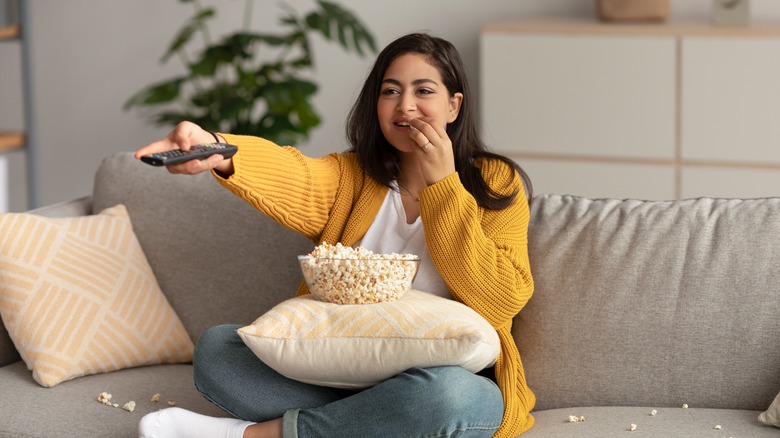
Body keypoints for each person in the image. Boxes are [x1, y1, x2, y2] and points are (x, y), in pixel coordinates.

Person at [135, 32, 535, 438]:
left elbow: (501, 299)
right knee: (219, 350)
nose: (405, 106)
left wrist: (444, 186)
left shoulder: (496, 181)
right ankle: (369, 425)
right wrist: (217, 148)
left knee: (452, 397)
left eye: (424, 91)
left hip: (443, 384)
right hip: (337, 377)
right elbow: (294, 173)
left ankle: (254, 435)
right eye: (390, 91)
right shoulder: (352, 176)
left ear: (454, 105)